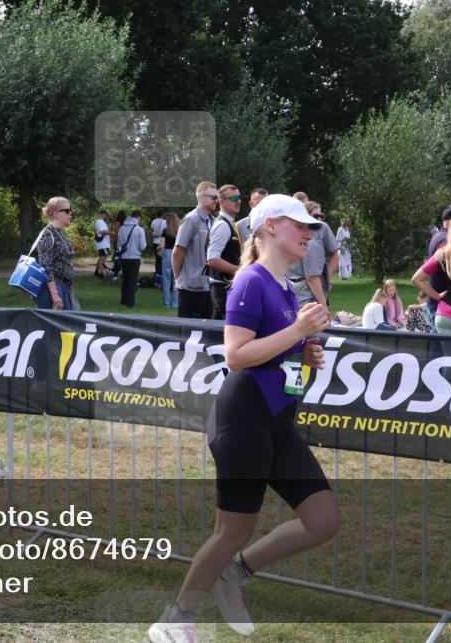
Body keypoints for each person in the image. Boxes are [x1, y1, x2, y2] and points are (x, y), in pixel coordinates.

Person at [148, 194, 338, 643]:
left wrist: (304, 352)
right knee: (232, 531)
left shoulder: (287, 286)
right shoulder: (251, 280)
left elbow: (278, 355)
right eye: (300, 226)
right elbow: (236, 355)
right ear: (270, 226)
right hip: (244, 419)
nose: (309, 234)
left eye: (312, 227)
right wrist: (297, 333)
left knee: (323, 519)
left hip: (277, 422)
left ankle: (234, 574)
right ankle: (175, 618)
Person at [411, 210, 451, 335]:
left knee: (448, 355)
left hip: (444, 314)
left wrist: (437, 296)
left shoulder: (442, 253)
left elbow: (416, 279)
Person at [173, 181, 218, 318]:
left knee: (206, 333)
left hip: (208, 286)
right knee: (188, 334)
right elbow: (178, 252)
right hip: (191, 288)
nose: (217, 201)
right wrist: (179, 279)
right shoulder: (191, 219)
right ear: (202, 197)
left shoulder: (213, 220)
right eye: (214, 197)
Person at [287, 198, 339, 309]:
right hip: (307, 296)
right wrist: (324, 305)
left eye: (321, 216)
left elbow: (335, 254)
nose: (319, 220)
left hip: (293, 293)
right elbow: (312, 277)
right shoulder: (310, 245)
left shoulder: (290, 241)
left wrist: (326, 279)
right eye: (315, 217)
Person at [206, 184, 244, 319]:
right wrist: (241, 271)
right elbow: (212, 259)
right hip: (222, 289)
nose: (238, 201)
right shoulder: (222, 225)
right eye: (233, 198)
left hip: (227, 288)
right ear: (221, 202)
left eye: (239, 197)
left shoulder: (231, 223)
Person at [34, 197, 77, 311]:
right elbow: (46, 266)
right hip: (54, 288)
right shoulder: (47, 235)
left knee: (68, 325)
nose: (70, 213)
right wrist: (54, 294)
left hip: (65, 286)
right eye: (67, 211)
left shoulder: (60, 233)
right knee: (57, 327)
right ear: (55, 214)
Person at [117, 209, 147, 308]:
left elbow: (119, 245)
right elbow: (142, 246)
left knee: (125, 279)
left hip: (124, 257)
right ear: (138, 218)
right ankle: (130, 302)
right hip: (135, 257)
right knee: (132, 280)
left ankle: (124, 300)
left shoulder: (121, 228)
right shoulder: (139, 229)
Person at [158, 212, 180, 308]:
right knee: (176, 280)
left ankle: (166, 302)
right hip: (177, 254)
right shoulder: (180, 231)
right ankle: (175, 303)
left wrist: (158, 249)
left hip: (167, 254)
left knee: (166, 279)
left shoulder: (164, 231)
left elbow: (162, 246)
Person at [94, 209, 112, 278]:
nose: (107, 217)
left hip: (102, 243)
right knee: (103, 258)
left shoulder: (101, 222)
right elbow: (102, 232)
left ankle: (96, 272)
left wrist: (108, 230)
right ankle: (101, 274)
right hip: (103, 244)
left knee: (101, 258)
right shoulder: (100, 222)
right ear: (104, 214)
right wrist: (112, 233)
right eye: (107, 215)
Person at [150, 211, 167, 277]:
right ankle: (161, 271)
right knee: (162, 258)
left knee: (157, 259)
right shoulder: (164, 222)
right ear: (162, 215)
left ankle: (157, 271)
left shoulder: (153, 221)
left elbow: (151, 231)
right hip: (161, 241)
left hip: (155, 241)